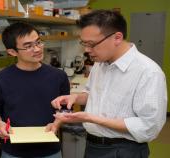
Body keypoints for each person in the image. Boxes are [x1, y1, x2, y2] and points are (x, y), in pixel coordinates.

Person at [51, 10, 167, 158]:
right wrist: (74, 98)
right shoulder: (100, 64)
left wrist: (91, 118)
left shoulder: (148, 72)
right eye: (84, 44)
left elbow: (149, 126)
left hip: (124, 150)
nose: (87, 50)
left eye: (91, 44)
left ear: (117, 38)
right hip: (93, 146)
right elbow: (91, 93)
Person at [0, 22, 70, 158]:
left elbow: (65, 109)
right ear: (12, 52)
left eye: (38, 42)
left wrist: (56, 123)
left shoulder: (58, 76)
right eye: (28, 46)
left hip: (50, 150)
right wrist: (0, 124)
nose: (37, 49)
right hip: (13, 152)